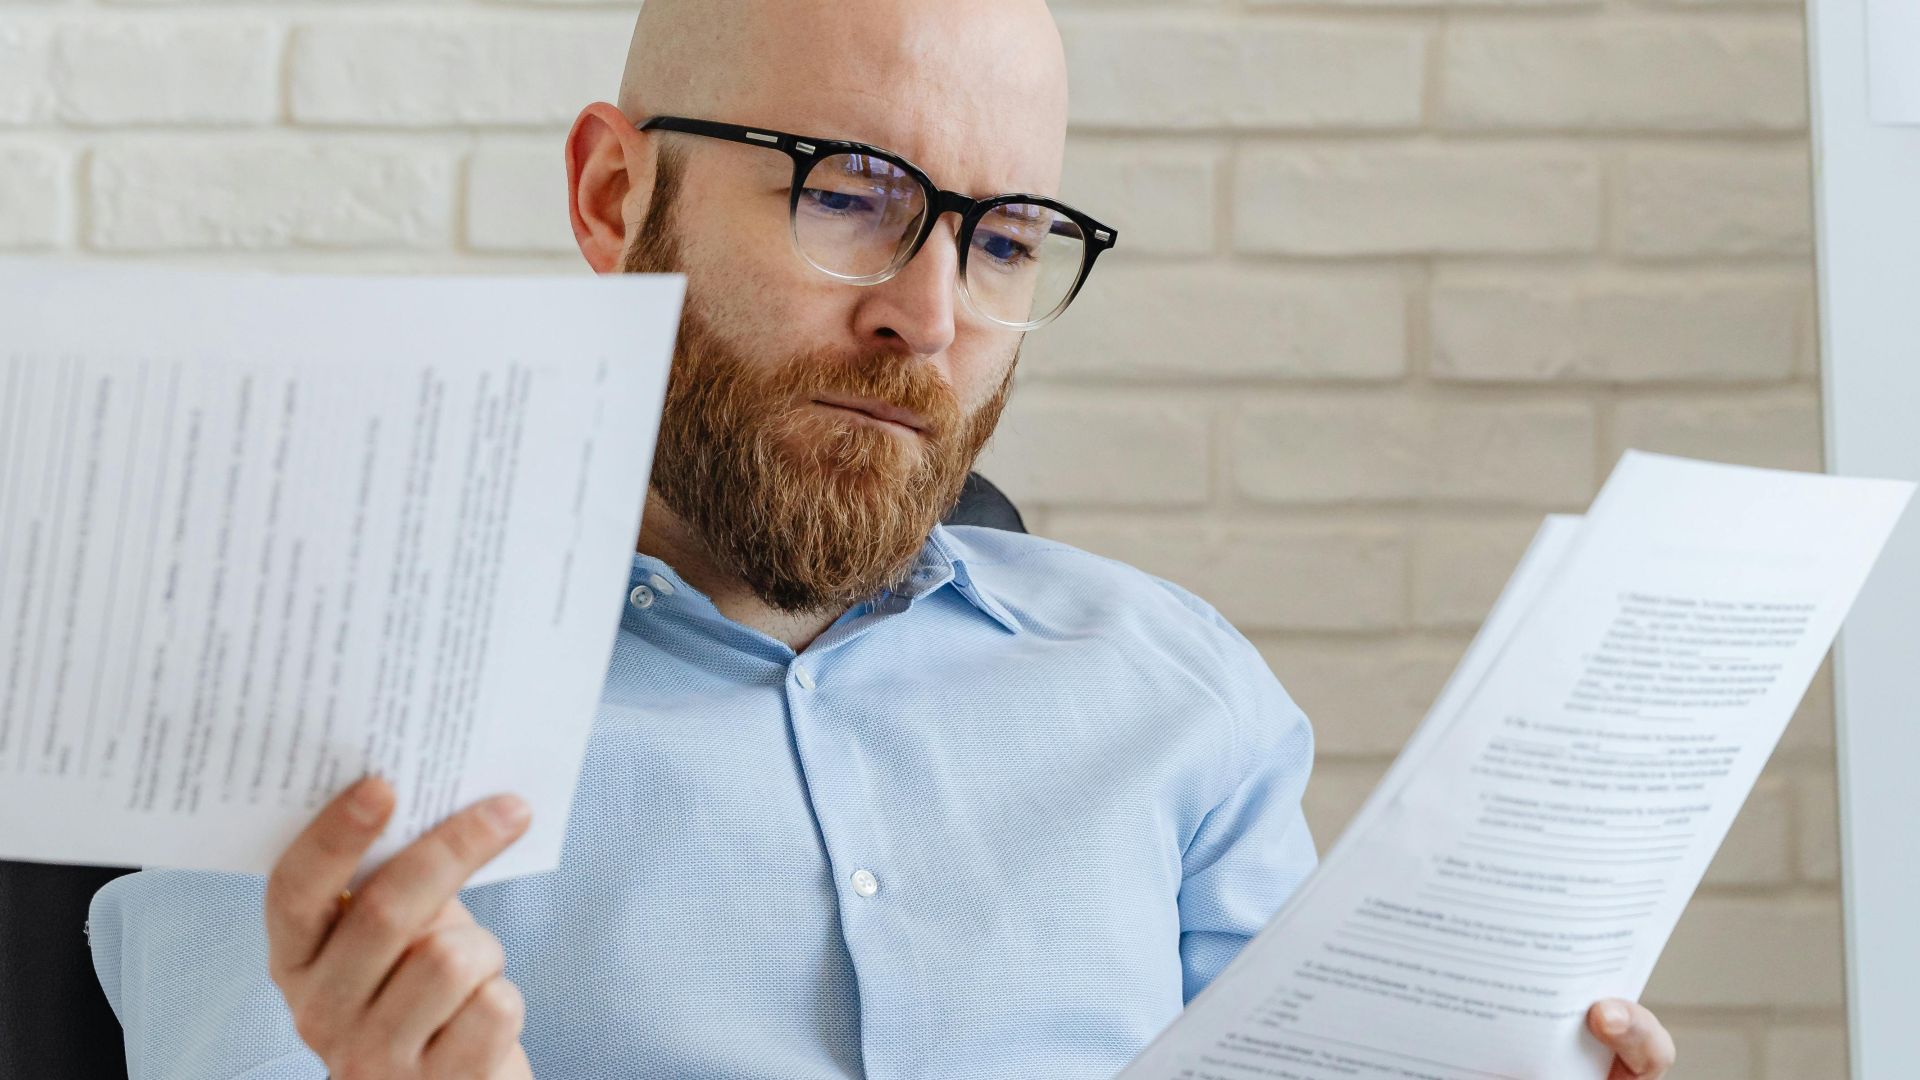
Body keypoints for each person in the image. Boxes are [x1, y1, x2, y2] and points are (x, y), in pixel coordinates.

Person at [85, 1, 1678, 1077]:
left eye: (1001, 241)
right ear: (612, 195)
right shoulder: (324, 694)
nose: (928, 315)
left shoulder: (1176, 691)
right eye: (850, 195)